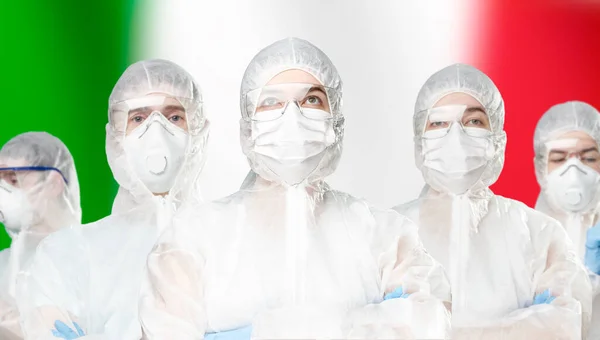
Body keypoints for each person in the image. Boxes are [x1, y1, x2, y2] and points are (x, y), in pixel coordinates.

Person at [138, 37, 451, 340]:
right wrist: (369, 325)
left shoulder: (383, 235)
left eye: (311, 100)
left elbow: (433, 320)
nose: (293, 116)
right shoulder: (192, 238)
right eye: (272, 102)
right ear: (249, 125)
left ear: (335, 120)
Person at [394, 63, 592, 339]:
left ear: (496, 138)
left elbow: (568, 322)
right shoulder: (387, 234)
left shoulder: (538, 234)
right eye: (439, 122)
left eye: (473, 121)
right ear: (420, 139)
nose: (456, 136)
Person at [15, 59, 210, 339]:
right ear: (116, 138)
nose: (157, 131)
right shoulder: (68, 254)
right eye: (139, 118)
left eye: (174, 117)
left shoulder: (229, 244)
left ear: (199, 132)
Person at [0, 132, 81, 340]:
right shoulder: (3, 263)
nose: (3, 191)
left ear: (54, 183)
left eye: (13, 179)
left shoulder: (90, 260)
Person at [533, 101, 600, 339]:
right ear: (541, 168)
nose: (574, 170)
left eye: (589, 158)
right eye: (560, 158)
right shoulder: (518, 239)